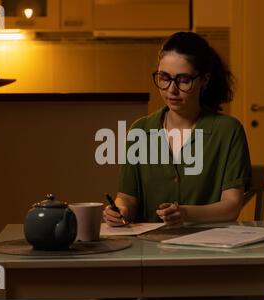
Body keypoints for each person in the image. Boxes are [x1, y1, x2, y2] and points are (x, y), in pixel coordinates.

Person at [104, 32, 251, 226]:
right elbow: (128, 198)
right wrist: (119, 209)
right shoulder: (140, 131)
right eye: (164, 77)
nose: (171, 90)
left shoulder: (228, 131)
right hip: (149, 249)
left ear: (204, 80)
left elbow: (231, 206)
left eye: (183, 80)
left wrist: (185, 213)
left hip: (208, 248)